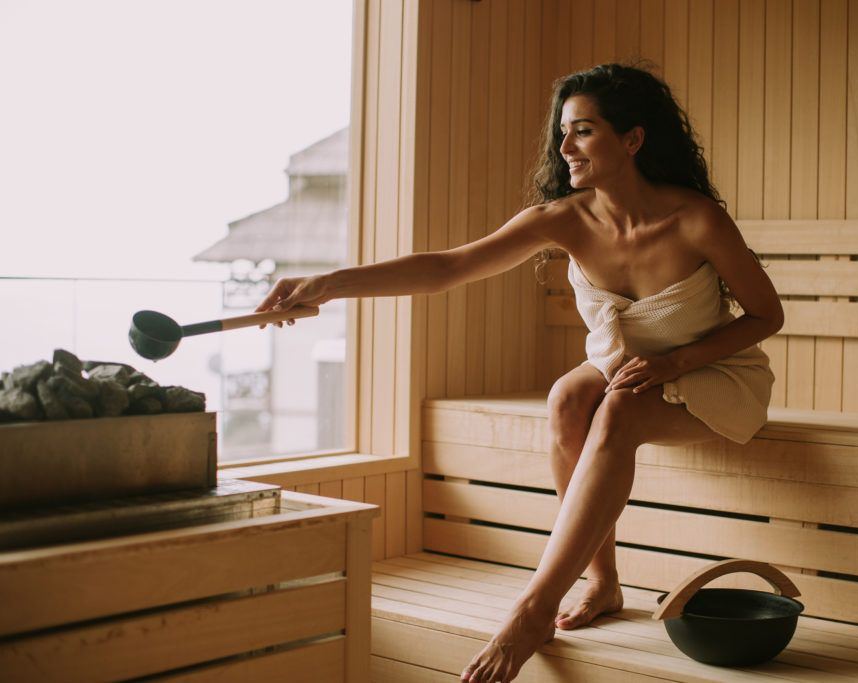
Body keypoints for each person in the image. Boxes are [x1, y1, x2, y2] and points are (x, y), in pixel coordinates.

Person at [257, 63, 783, 683]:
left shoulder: (697, 220)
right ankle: (601, 580)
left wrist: (674, 361)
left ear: (633, 140)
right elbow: (446, 268)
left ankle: (533, 610)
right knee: (567, 399)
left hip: (712, 370)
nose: (564, 149)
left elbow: (765, 315)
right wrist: (326, 284)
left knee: (612, 408)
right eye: (563, 133)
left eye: (583, 132)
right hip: (624, 369)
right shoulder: (563, 220)